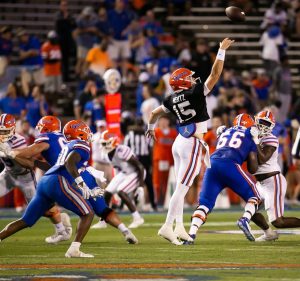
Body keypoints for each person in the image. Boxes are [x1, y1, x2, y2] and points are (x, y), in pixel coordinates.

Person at [146, 38, 234, 245]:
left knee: (180, 185)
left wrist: (150, 129)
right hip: (193, 142)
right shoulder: (195, 93)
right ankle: (167, 226)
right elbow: (215, 74)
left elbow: (153, 113)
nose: (195, 80)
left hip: (180, 141)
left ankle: (179, 226)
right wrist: (221, 50)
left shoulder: (170, 98)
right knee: (183, 187)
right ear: (185, 82)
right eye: (191, 78)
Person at [6, 116, 137, 244]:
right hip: (80, 175)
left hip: (62, 177)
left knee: (81, 212)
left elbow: (34, 156)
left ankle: (64, 232)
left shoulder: (51, 138)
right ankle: (124, 231)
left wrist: (11, 152)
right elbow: (56, 163)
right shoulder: (73, 142)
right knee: (99, 209)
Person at [0, 120, 100, 258]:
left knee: (26, 220)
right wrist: (82, 185)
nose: (89, 134)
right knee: (88, 213)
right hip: (57, 181)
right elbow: (69, 164)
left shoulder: (66, 146)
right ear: (80, 133)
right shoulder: (81, 144)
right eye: (86, 131)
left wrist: (12, 154)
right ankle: (74, 249)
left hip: (45, 181)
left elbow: (36, 163)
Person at [187, 113, 261, 244]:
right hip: (229, 164)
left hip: (212, 164)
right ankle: (244, 219)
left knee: (204, 204)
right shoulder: (250, 134)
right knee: (255, 195)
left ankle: (191, 235)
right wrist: (255, 141)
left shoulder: (225, 131)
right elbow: (253, 167)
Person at [0, 114, 72, 244]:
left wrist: (10, 153)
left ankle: (61, 226)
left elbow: (29, 164)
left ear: (12, 129)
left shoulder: (19, 141)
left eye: (5, 131)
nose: (2, 134)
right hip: (8, 174)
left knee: (43, 211)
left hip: (25, 178)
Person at [250, 110, 300, 242]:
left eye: (266, 123)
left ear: (271, 126)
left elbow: (262, 159)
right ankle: (269, 234)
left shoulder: (270, 138)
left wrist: (255, 141)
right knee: (249, 211)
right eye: (261, 122)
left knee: (278, 222)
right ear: (256, 121)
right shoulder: (252, 135)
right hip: (260, 183)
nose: (263, 126)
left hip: (273, 181)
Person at [92, 130, 145, 229]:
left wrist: (141, 186)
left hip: (135, 173)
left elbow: (140, 167)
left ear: (113, 142)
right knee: (107, 193)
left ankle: (137, 218)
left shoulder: (122, 150)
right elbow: (117, 169)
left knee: (121, 192)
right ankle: (103, 220)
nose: (103, 146)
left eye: (105, 143)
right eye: (102, 143)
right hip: (124, 173)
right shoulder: (107, 154)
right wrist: (115, 183)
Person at [41, 30, 62, 96]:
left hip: (57, 71)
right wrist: (54, 60)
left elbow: (59, 58)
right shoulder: (45, 46)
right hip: (49, 71)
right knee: (49, 90)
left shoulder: (57, 46)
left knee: (58, 89)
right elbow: (45, 59)